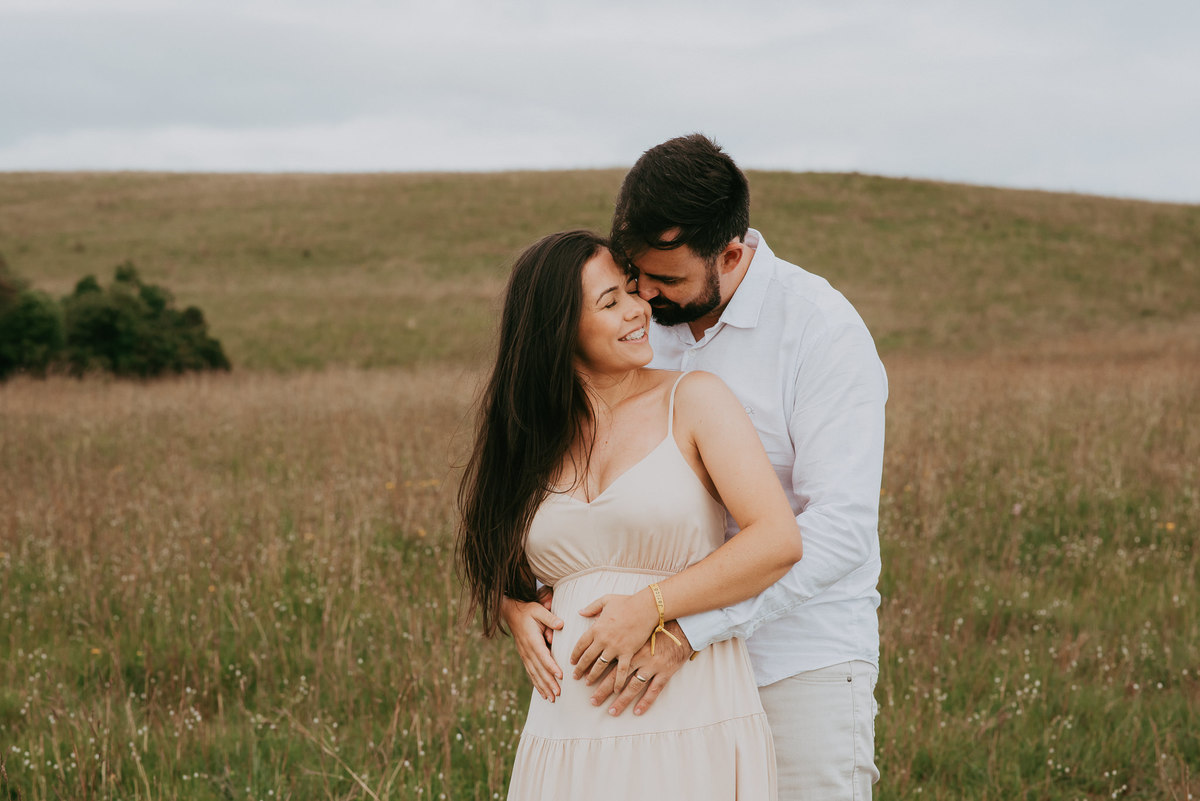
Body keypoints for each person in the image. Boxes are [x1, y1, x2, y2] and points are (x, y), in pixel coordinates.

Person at [504, 135, 889, 800]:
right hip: (656, 678)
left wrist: (684, 627)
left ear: (732, 254)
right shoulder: (641, 330)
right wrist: (518, 594)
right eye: (633, 275)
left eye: (666, 280)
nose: (646, 296)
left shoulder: (819, 330)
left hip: (796, 664)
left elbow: (839, 531)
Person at [458, 229, 803, 800]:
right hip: (567, 725)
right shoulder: (529, 437)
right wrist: (513, 607)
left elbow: (776, 541)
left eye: (631, 291)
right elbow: (489, 547)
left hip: (685, 704)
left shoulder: (695, 400)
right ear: (557, 330)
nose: (639, 309)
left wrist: (651, 607)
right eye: (610, 301)